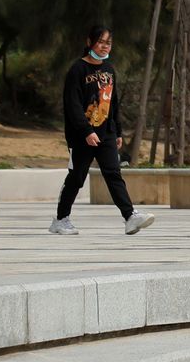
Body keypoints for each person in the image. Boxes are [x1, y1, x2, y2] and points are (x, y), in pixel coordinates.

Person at [51, 24, 153, 236]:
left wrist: (117, 132)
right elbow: (73, 106)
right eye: (101, 42)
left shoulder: (109, 70)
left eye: (108, 43)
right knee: (77, 177)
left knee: (113, 173)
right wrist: (86, 131)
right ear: (90, 42)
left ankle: (130, 217)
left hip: (105, 132)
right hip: (82, 135)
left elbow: (113, 103)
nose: (105, 46)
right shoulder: (77, 70)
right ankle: (61, 219)